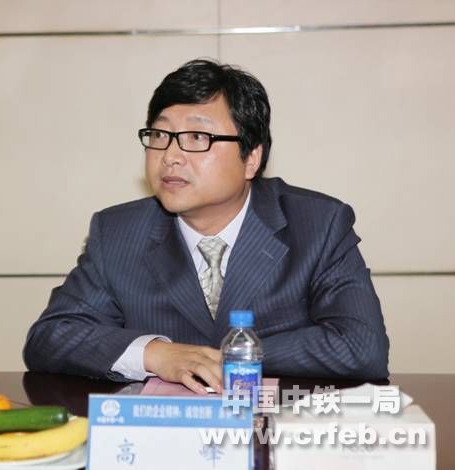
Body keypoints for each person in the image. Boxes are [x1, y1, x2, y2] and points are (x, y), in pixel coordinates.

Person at [23, 59, 389, 394]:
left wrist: (225, 357)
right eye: (159, 136)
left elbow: (361, 346)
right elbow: (50, 337)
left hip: (277, 429)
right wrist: (155, 354)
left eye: (198, 138)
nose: (170, 156)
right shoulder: (118, 232)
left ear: (251, 158)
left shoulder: (317, 224)